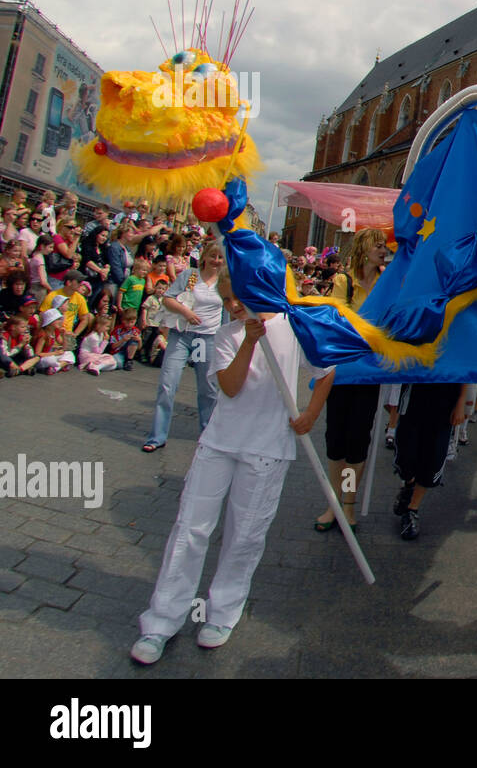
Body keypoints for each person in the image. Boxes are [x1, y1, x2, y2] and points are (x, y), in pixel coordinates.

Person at [130, 271, 333, 665]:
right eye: (226, 300)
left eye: (238, 297)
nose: (233, 306)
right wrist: (249, 342)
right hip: (219, 444)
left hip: (267, 449)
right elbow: (231, 386)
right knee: (190, 528)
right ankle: (161, 621)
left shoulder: (294, 327)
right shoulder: (226, 336)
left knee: (245, 535)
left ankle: (222, 613)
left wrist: (311, 413)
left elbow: (326, 371)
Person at [313, 228, 387, 532]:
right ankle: (333, 502)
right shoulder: (344, 282)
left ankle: (348, 503)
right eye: (379, 246)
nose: (384, 250)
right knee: (336, 438)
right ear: (365, 248)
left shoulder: (386, 281)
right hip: (342, 371)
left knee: (358, 438)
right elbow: (337, 319)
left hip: (370, 371)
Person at [143, 241, 226, 452]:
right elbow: (168, 299)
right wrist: (186, 312)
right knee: (167, 383)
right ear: (204, 256)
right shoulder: (190, 276)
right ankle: (157, 436)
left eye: (220, 258)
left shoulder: (225, 281)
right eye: (213, 256)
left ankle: (207, 435)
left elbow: (228, 312)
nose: (216, 261)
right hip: (182, 336)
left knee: (207, 388)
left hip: (204, 339)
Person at [391, 383, 466, 540]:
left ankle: (412, 510)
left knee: (432, 458)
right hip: (415, 390)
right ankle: (409, 485)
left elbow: (465, 363)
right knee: (406, 455)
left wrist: (461, 400)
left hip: (446, 397)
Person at [108, 307, 142, 371]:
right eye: (127, 322)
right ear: (123, 320)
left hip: (129, 351)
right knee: (118, 364)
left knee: (134, 340)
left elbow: (138, 348)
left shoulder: (136, 331)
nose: (129, 325)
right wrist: (123, 340)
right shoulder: (117, 330)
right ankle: (123, 361)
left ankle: (129, 361)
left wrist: (139, 340)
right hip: (118, 351)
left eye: (132, 322)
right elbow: (112, 346)